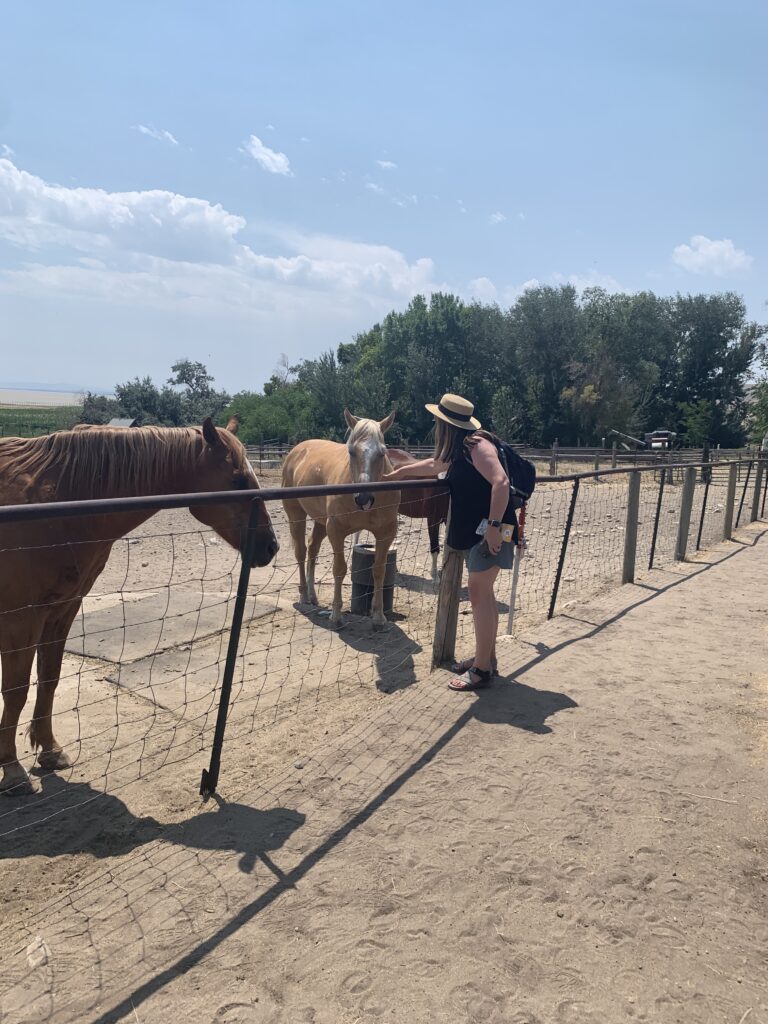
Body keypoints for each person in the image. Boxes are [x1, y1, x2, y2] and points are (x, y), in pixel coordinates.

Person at [383, 393, 517, 691]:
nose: (435, 425)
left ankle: (481, 670)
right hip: (489, 529)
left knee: (480, 594)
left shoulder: (476, 446)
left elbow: (501, 482)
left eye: (438, 421)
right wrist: (400, 472)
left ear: (446, 424)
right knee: (486, 594)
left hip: (491, 530)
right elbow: (434, 464)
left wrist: (494, 527)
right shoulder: (461, 449)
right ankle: (487, 659)